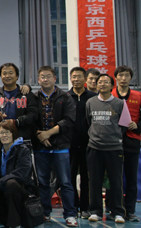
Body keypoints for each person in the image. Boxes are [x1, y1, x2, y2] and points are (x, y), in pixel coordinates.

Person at [33, 66, 77, 226]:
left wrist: (49, 133)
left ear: (54, 78)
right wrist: (41, 135)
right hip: (40, 146)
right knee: (43, 182)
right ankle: (45, 212)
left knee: (65, 182)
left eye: (48, 76)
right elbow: (30, 118)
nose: (45, 79)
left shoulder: (65, 97)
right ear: (38, 80)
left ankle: (70, 214)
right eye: (42, 77)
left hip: (61, 146)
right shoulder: (34, 97)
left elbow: (69, 120)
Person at [85, 73, 129, 223]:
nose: (102, 84)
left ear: (112, 86)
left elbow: (124, 125)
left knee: (115, 182)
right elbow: (88, 121)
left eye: (106, 82)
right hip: (94, 148)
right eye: (100, 82)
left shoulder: (120, 103)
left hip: (114, 148)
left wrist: (114, 137)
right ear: (96, 85)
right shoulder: (90, 102)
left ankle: (118, 212)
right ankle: (95, 211)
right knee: (94, 181)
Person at [0, 121, 37, 228]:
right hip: (3, 191)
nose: (4, 135)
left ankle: (14, 225)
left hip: (22, 190)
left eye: (7, 132)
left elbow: (21, 174)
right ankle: (12, 221)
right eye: (1, 133)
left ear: (13, 133)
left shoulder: (23, 150)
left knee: (11, 184)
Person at [110, 65, 141, 222]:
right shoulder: (110, 94)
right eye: (120, 75)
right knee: (113, 177)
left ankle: (130, 210)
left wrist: (138, 125)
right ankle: (114, 209)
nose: (123, 78)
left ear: (131, 78)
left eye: (126, 75)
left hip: (132, 140)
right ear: (116, 77)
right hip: (112, 140)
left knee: (131, 178)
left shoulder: (138, 96)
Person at [0, 62, 38, 140]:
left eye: (10, 73)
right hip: (0, 139)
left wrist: (16, 122)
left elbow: (33, 114)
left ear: (17, 76)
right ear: (1, 76)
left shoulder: (26, 94)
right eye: (4, 73)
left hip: (22, 138)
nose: (7, 76)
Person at [67, 66, 95, 219]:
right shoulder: (65, 97)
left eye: (79, 76)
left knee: (86, 177)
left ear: (85, 79)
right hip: (70, 144)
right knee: (70, 177)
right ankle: (73, 207)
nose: (76, 79)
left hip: (88, 144)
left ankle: (85, 208)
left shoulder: (93, 97)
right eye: (73, 77)